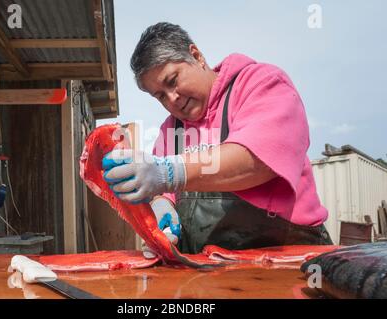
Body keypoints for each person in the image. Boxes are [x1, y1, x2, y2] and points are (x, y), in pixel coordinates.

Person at [102, 22, 333, 257]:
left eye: (172, 81)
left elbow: (258, 161)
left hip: (289, 258)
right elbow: (165, 191)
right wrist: (162, 206)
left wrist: (170, 173)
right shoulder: (172, 129)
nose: (172, 99)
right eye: (160, 95)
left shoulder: (261, 85)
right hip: (210, 270)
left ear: (197, 56)